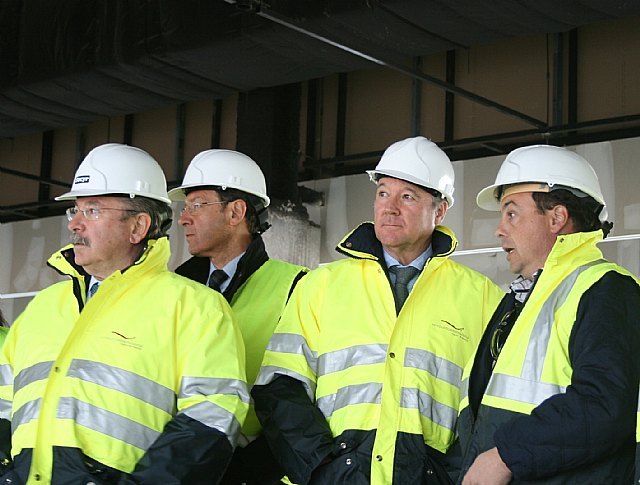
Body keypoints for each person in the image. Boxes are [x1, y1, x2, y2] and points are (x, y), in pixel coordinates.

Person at [251, 136, 504, 484]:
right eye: (383, 192)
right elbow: (279, 386)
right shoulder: (321, 285)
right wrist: (323, 468)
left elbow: (489, 408)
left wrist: (447, 475)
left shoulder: (483, 298)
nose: (390, 207)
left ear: (440, 210)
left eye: (408, 196)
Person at [0, 143, 249, 484]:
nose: (75, 224)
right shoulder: (43, 307)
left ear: (138, 227)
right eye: (74, 210)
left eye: (93, 210)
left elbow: (213, 413)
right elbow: (3, 404)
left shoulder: (194, 307)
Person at [457, 144, 640, 484]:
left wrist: (504, 456)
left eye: (511, 213)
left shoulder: (606, 289)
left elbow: (604, 406)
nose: (499, 229)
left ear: (556, 218)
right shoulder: (521, 300)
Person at [169, 149, 308, 484]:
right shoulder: (173, 291)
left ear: (236, 212)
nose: (183, 218)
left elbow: (301, 397)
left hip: (255, 471)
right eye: (184, 207)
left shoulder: (297, 285)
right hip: (179, 467)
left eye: (197, 205)